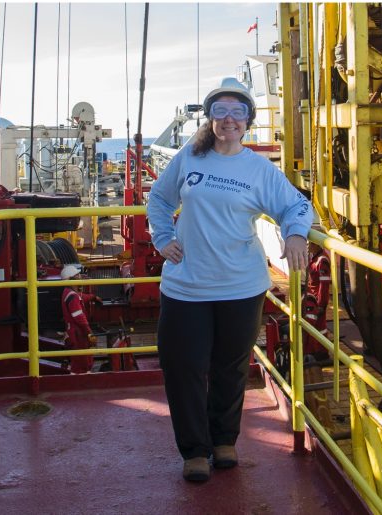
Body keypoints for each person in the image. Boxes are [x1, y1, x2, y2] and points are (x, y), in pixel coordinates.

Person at [146, 78, 312, 482]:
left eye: (237, 112)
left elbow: (297, 204)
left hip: (241, 286)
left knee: (230, 366)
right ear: (209, 118)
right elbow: (159, 198)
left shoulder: (257, 168)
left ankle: (224, 441)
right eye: (220, 111)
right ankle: (194, 451)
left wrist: (295, 233)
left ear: (249, 120)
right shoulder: (189, 157)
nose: (228, 119)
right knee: (182, 366)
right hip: (186, 286)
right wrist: (162, 237)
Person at [60, 264, 98, 374]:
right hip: (77, 333)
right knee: (81, 362)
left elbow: (82, 296)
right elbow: (80, 318)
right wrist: (89, 333)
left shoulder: (68, 293)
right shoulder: (73, 297)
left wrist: (93, 297)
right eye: (77, 276)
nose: (80, 277)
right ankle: (80, 381)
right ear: (71, 279)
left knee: (79, 359)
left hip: (73, 332)